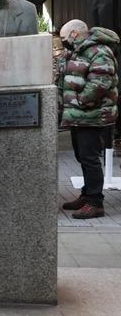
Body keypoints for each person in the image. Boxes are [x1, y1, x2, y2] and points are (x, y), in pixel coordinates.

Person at [57, 19, 120, 219]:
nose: (63, 42)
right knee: (82, 156)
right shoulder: (77, 51)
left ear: (75, 34)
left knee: (90, 158)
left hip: (93, 116)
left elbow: (100, 83)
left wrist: (80, 101)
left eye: (65, 38)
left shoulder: (99, 51)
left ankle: (95, 202)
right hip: (79, 115)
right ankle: (87, 193)